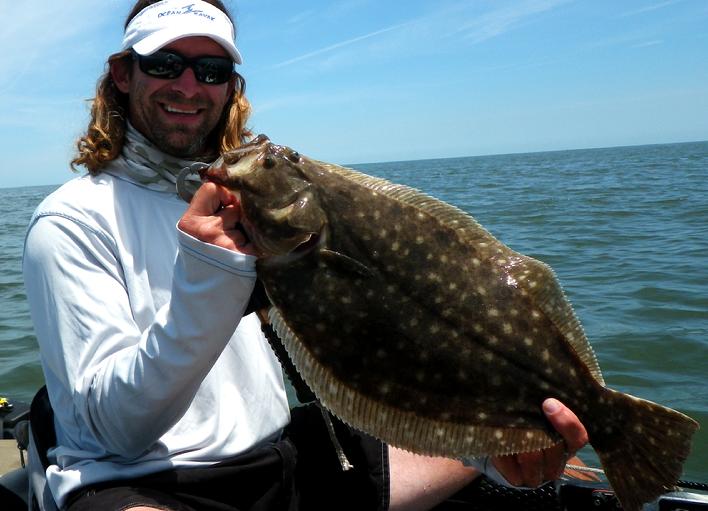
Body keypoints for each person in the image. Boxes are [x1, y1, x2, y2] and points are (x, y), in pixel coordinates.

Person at [22, 1, 589, 510]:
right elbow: (116, 432)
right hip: (137, 484)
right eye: (165, 64)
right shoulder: (73, 220)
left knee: (551, 468)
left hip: (279, 462)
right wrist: (214, 275)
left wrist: (495, 450)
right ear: (123, 75)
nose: (189, 86)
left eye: (211, 71)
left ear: (230, 88)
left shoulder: (248, 207)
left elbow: (367, 339)